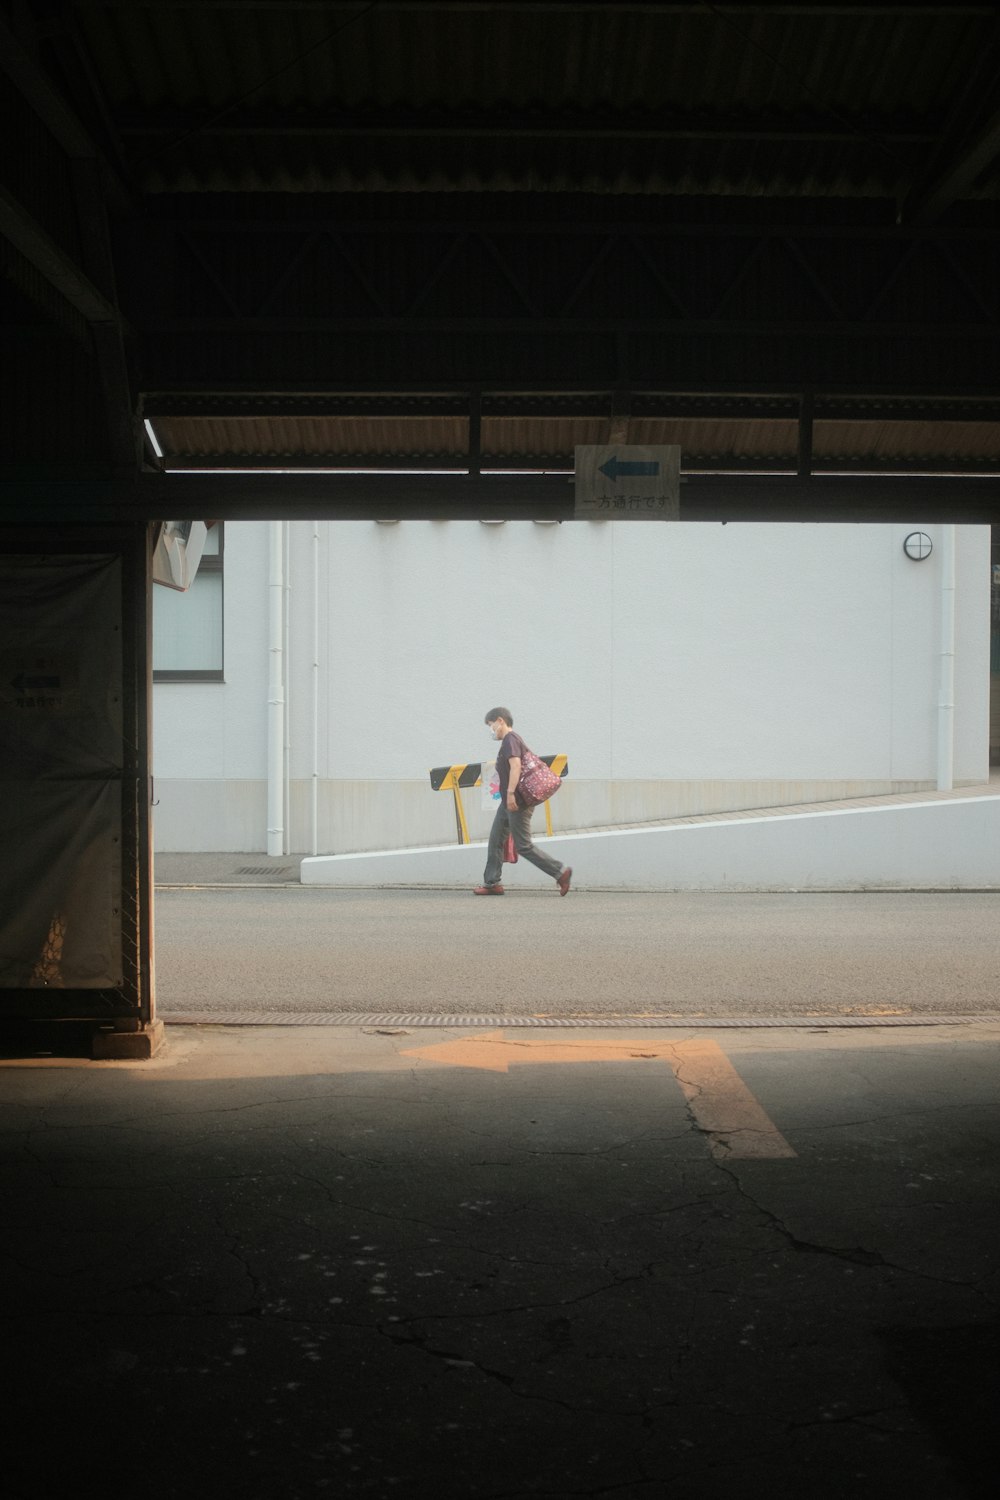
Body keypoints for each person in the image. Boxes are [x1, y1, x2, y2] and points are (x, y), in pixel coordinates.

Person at [474, 708, 572, 896]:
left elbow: (516, 766)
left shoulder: (511, 740)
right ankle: (492, 883)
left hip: (516, 802)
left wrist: (510, 794)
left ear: (500, 721)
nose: (490, 729)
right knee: (496, 840)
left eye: (490, 724)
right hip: (508, 803)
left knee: (524, 845)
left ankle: (560, 873)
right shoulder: (510, 741)